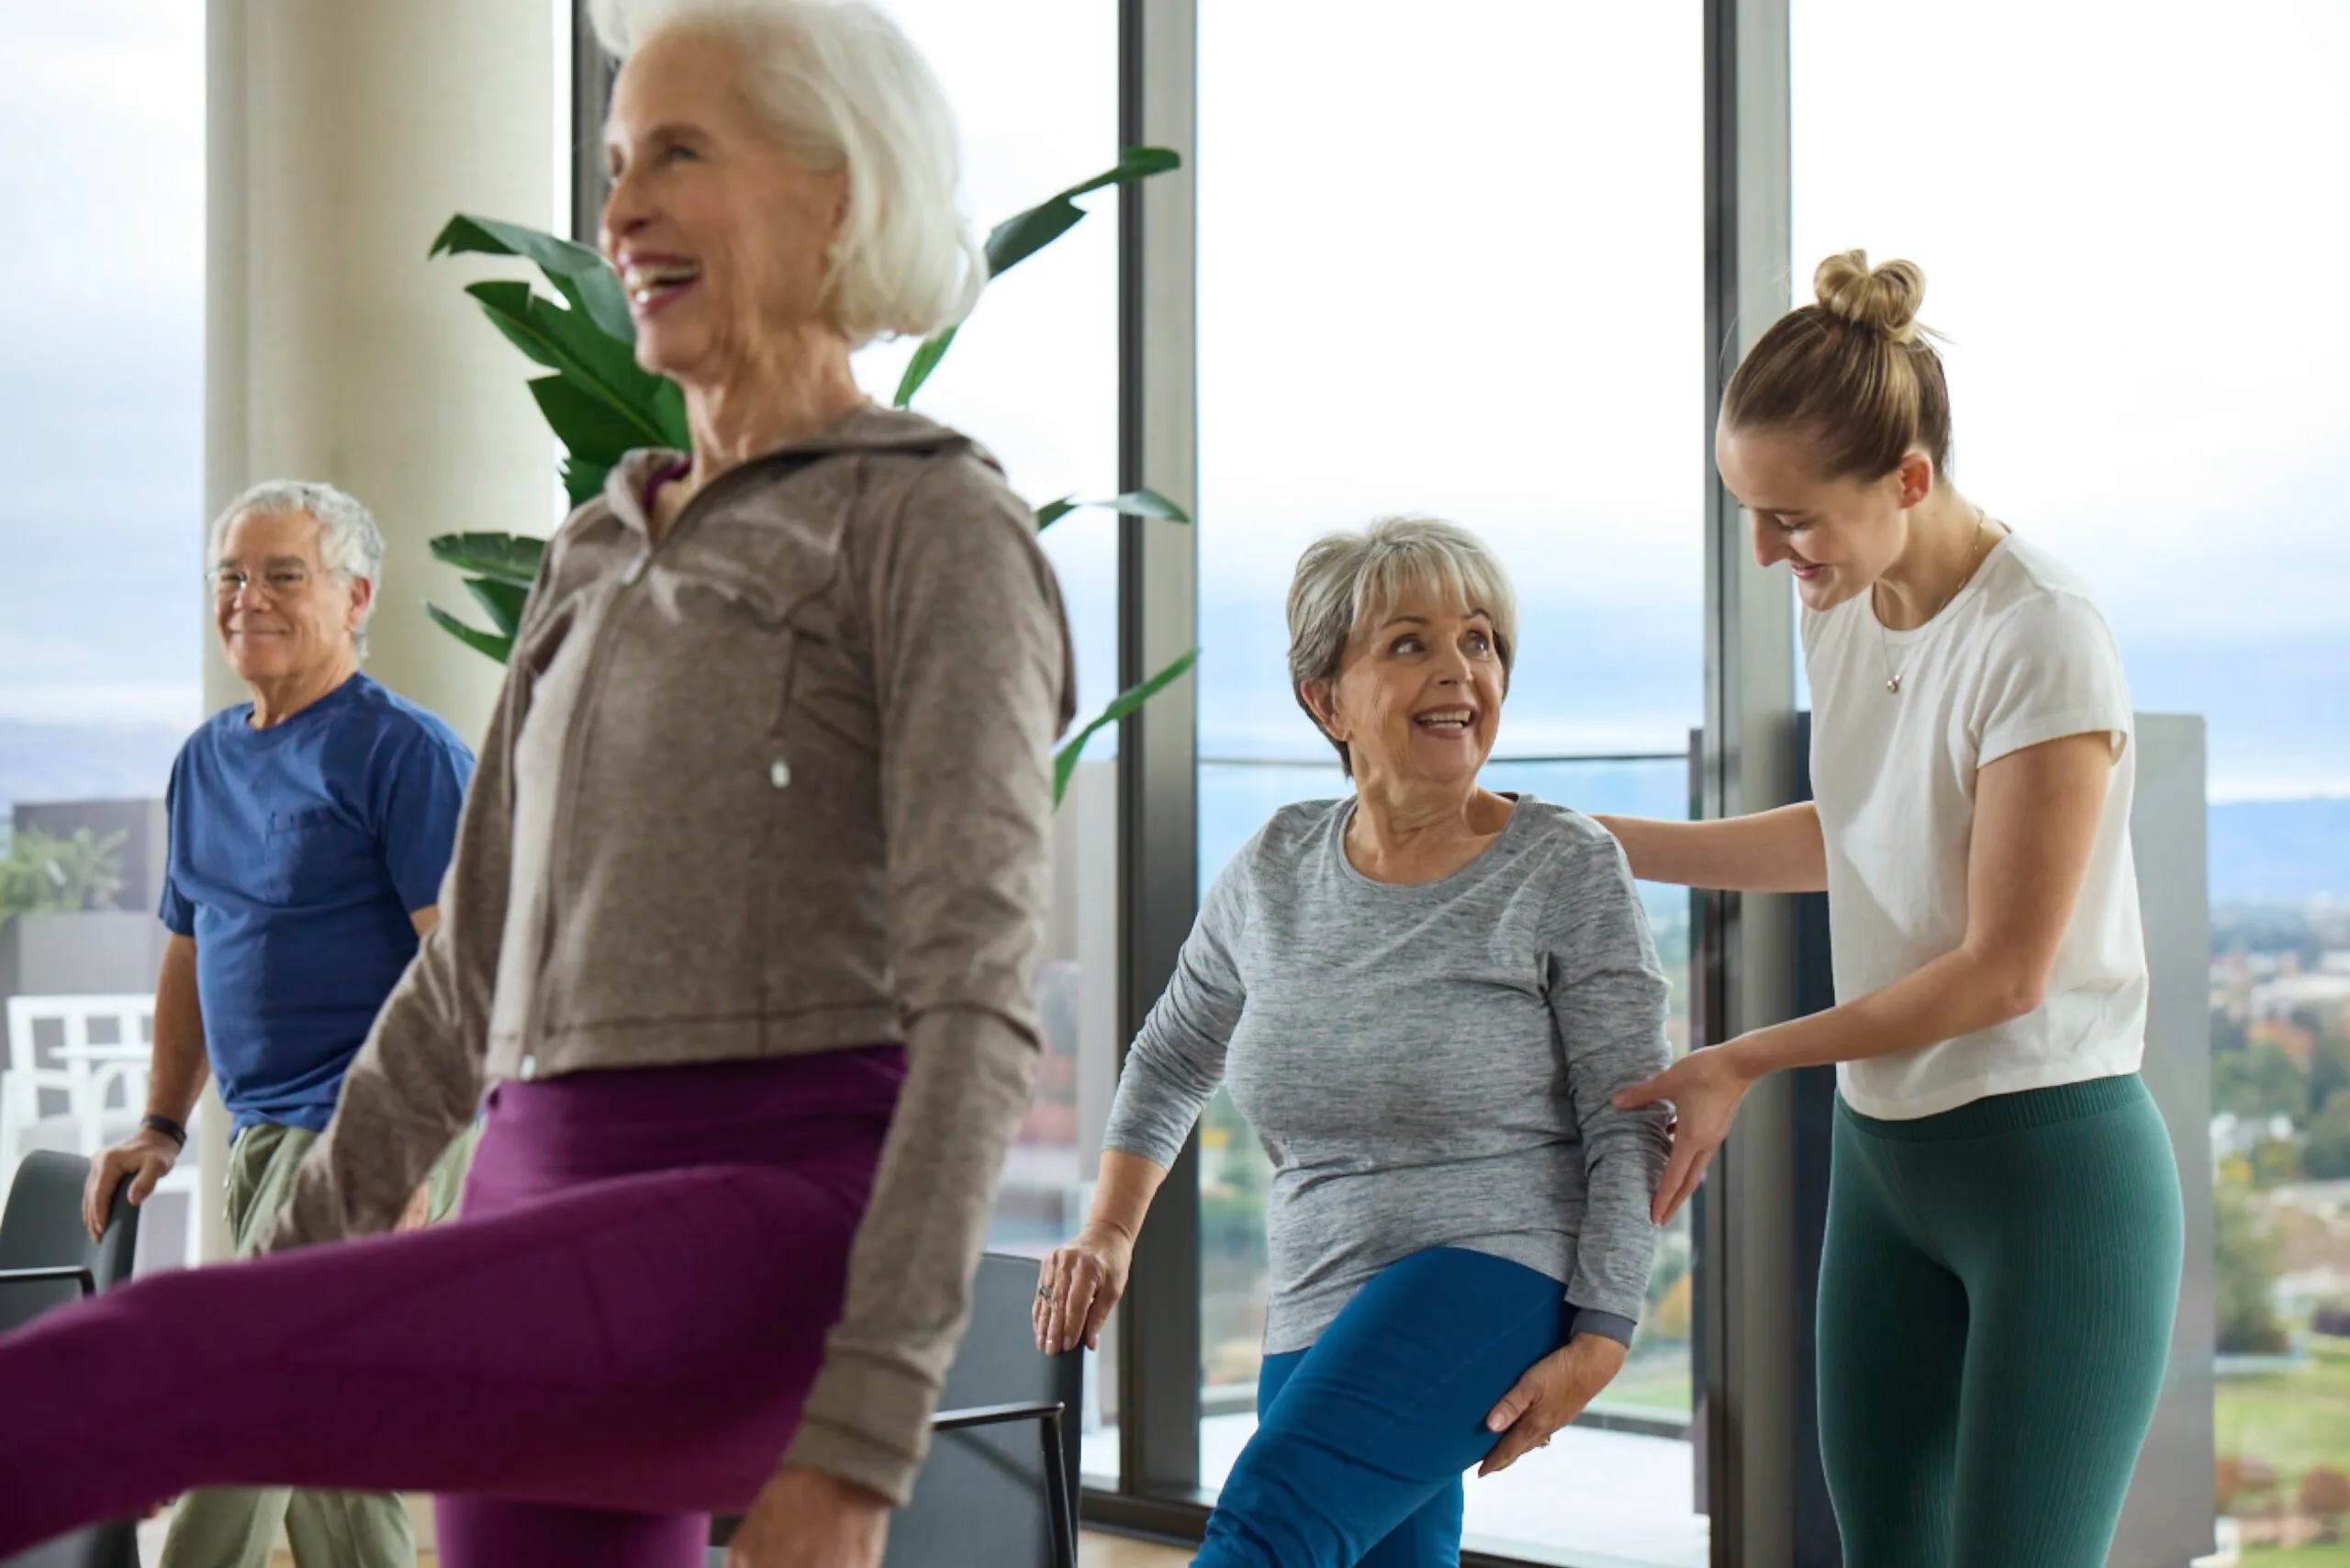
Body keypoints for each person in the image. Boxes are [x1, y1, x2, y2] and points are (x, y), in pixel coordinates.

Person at [0, 2, 1072, 1565]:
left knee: (133, 1359)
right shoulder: (596, 544)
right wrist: (286, 1277)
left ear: (839, 188)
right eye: (615, 161)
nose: (619, 210)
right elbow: (463, 979)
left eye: (679, 155)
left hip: (761, 1222)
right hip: (528, 1190)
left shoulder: (931, 528)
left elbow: (981, 1002)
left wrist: (860, 1436)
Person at [1601, 252, 2183, 1566]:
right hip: (1887, 1161)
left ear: (1908, 479)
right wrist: (1600, 845)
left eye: (1792, 517)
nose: (1767, 551)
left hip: (2051, 1173)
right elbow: (1866, 836)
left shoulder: (2042, 634)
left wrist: (1744, 1057)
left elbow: (2002, 972)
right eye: (1747, 513)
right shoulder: (1852, 604)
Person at [1035, 518, 1672, 1568]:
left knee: (1266, 1525)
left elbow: (1630, 1120)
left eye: (1480, 640)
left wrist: (1601, 1334)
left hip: (1498, 1264)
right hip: (1317, 1286)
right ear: (1324, 697)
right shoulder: (1275, 863)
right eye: (1410, 642)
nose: (1460, 670)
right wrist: (1109, 1230)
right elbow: (1171, 1055)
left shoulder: (1564, 866)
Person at [81, 478, 475, 1568]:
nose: (246, 597)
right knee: (327, 1456)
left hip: (366, 1123)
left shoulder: (405, 752)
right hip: (261, 1125)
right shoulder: (207, 758)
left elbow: (470, 969)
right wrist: (163, 1122)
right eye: (231, 575)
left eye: (282, 575)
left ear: (357, 598)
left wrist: (410, 1155)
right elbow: (193, 943)